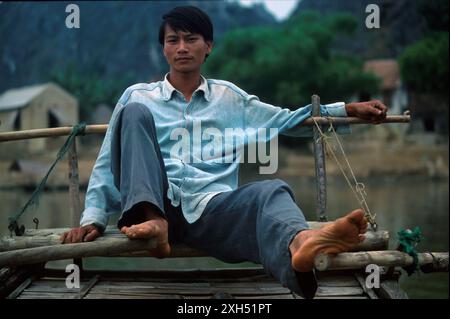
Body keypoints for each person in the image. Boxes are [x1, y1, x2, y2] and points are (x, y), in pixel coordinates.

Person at [61, 6, 387, 298]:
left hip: (212, 208)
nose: (182, 47)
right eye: (173, 40)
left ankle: (302, 247)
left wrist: (349, 110)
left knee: (271, 190)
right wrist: (93, 217)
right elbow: (107, 161)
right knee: (134, 115)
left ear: (209, 46)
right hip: (152, 207)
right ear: (163, 49)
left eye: (191, 39)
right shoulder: (138, 96)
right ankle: (156, 223)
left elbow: (286, 120)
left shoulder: (229, 98)